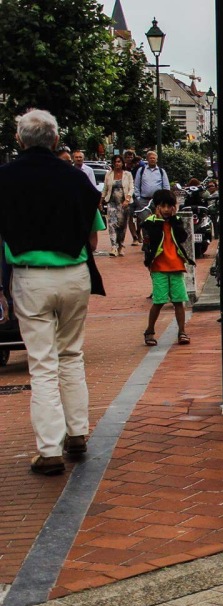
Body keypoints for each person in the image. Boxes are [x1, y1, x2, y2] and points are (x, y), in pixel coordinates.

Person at [0, 109, 106, 475]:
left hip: (30, 276)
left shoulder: (5, 179)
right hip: (74, 273)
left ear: (19, 139)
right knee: (71, 354)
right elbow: (93, 239)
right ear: (56, 140)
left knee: (42, 364)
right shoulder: (79, 181)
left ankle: (49, 451)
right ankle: (78, 434)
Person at [139, 189, 191, 346]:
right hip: (158, 267)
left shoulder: (175, 221)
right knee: (159, 301)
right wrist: (159, 221)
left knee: (178, 301)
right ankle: (149, 331)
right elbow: (150, 240)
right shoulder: (149, 223)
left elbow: (183, 237)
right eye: (163, 206)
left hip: (176, 266)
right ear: (157, 207)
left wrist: (174, 220)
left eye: (170, 206)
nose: (167, 210)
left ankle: (182, 332)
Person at [100, 154, 133, 256]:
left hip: (124, 204)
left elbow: (132, 188)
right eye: (115, 162)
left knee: (122, 226)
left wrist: (127, 199)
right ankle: (114, 247)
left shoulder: (128, 174)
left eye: (119, 161)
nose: (117, 164)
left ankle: (121, 245)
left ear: (122, 163)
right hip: (112, 203)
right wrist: (101, 201)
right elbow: (105, 188)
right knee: (112, 224)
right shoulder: (109, 174)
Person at [133, 150, 168, 238]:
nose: (152, 160)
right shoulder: (141, 170)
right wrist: (138, 198)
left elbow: (166, 186)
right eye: (150, 158)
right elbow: (136, 185)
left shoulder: (161, 171)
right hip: (144, 201)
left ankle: (158, 240)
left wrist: (165, 199)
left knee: (159, 220)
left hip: (158, 202)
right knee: (145, 222)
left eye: (154, 158)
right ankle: (146, 241)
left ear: (156, 159)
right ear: (147, 159)